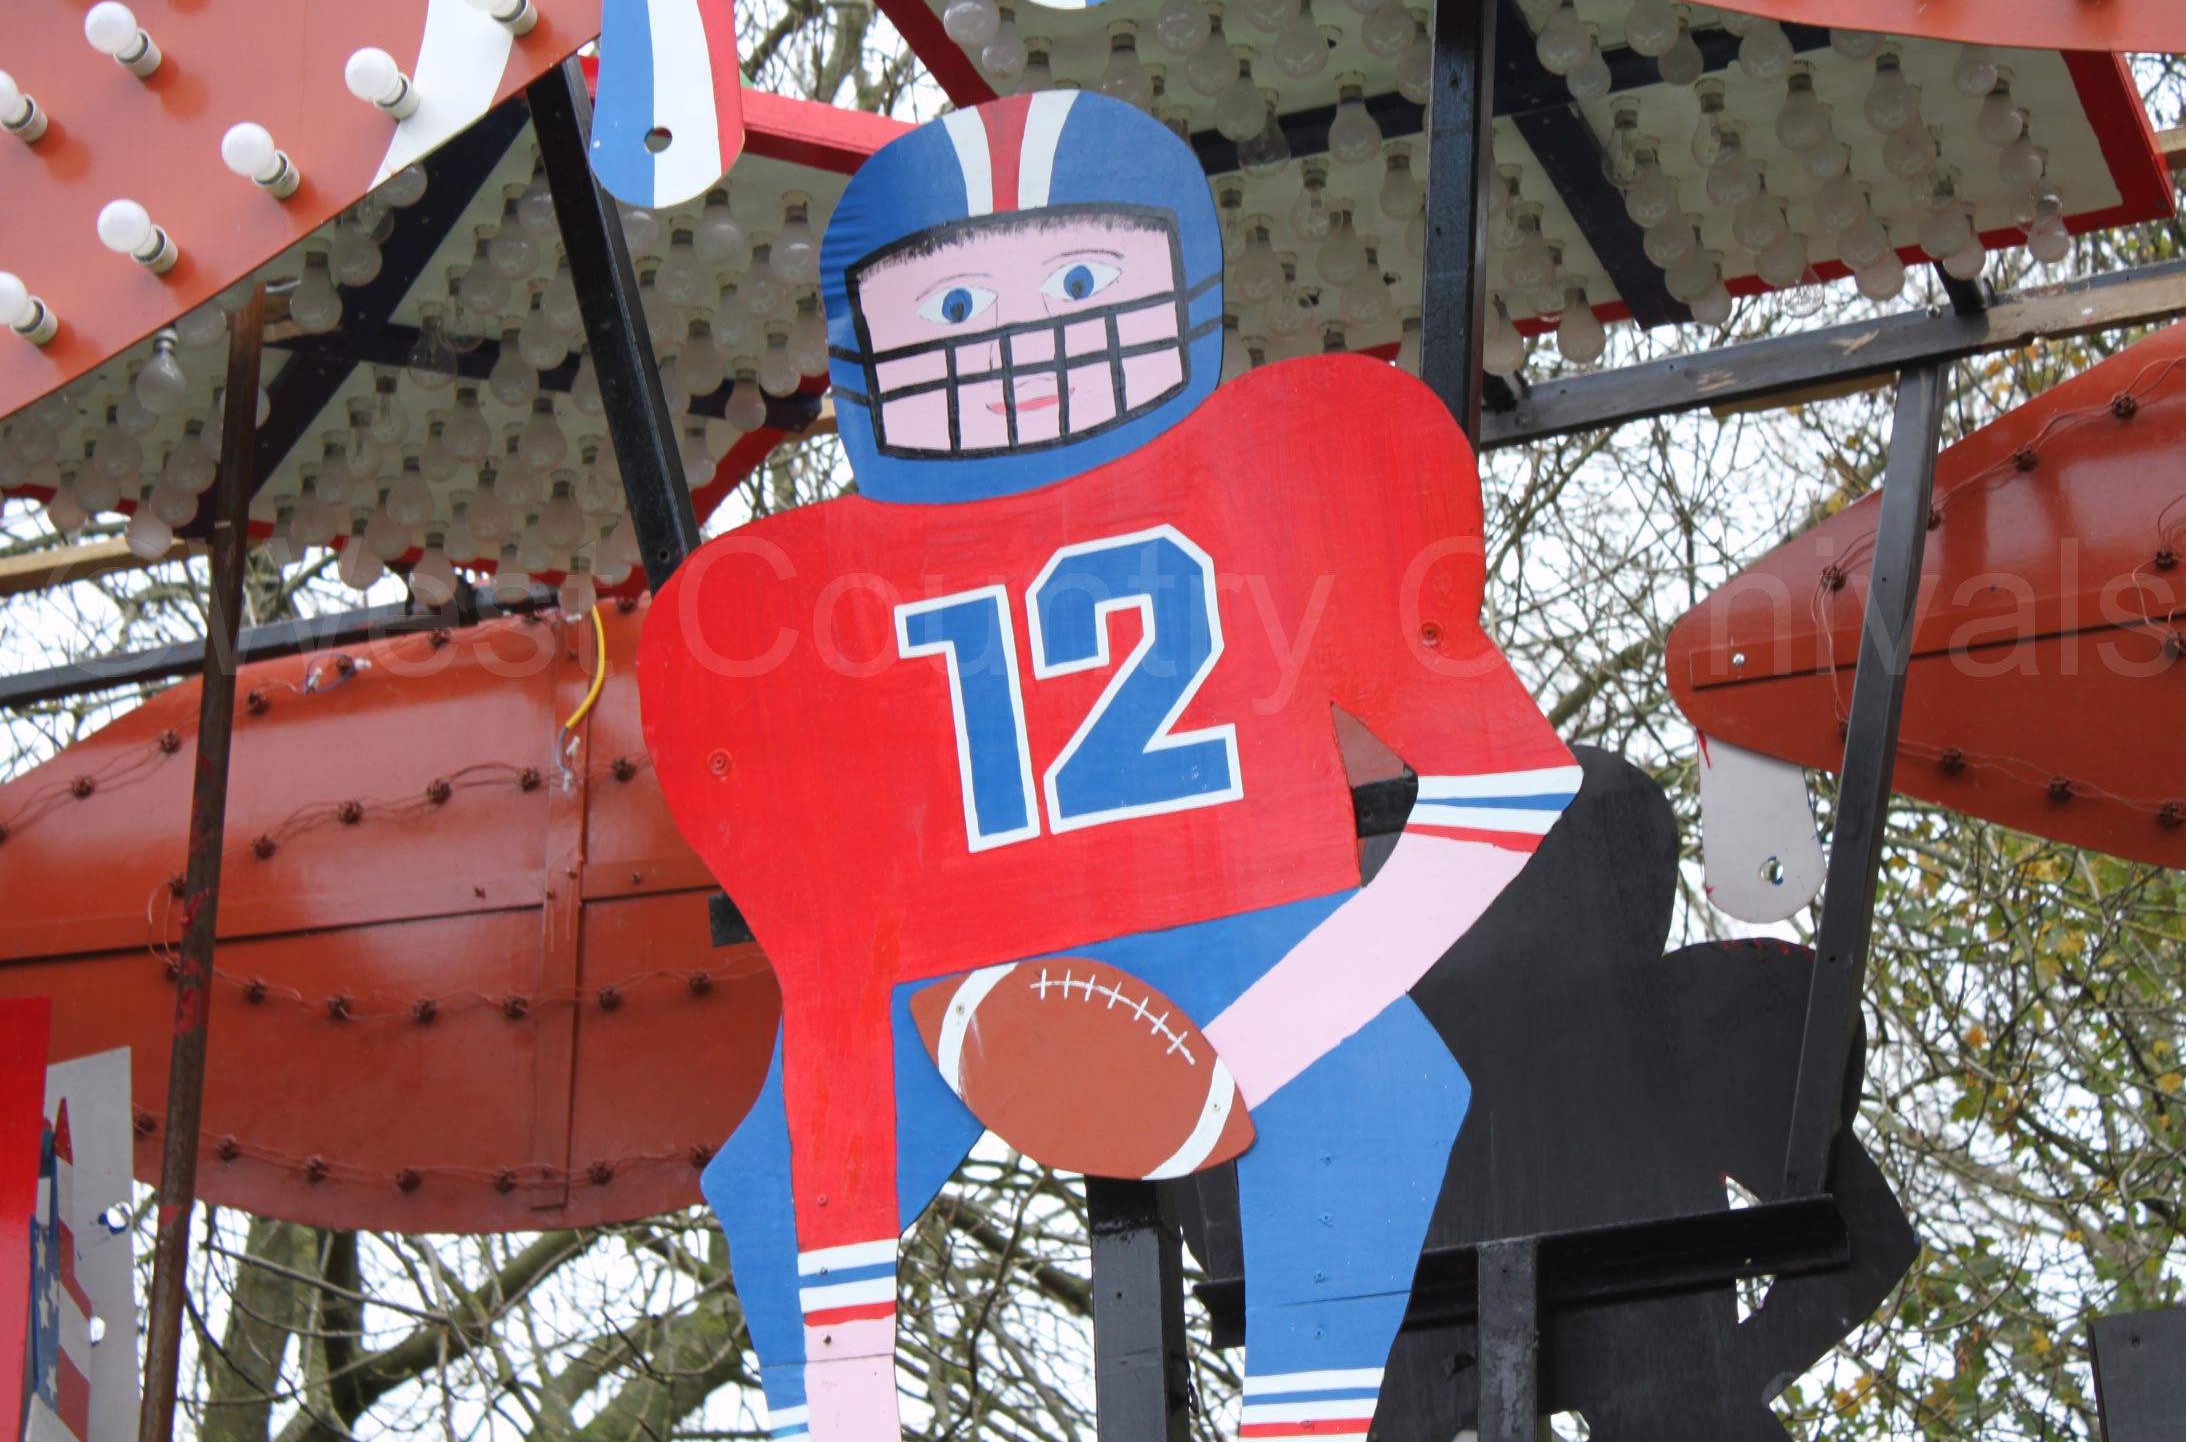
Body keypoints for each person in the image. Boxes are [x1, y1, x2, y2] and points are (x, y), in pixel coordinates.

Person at [639, 89, 1580, 1442]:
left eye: (1080, 281)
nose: (1021, 343)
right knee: (789, 1175)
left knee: (1373, 1095)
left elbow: (1507, 782)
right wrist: (845, 1401)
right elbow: (833, 1009)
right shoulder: (766, 614)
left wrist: (1260, 1043)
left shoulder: (1299, 466)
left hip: (1243, 918)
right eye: (954, 306)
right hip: (949, 960)